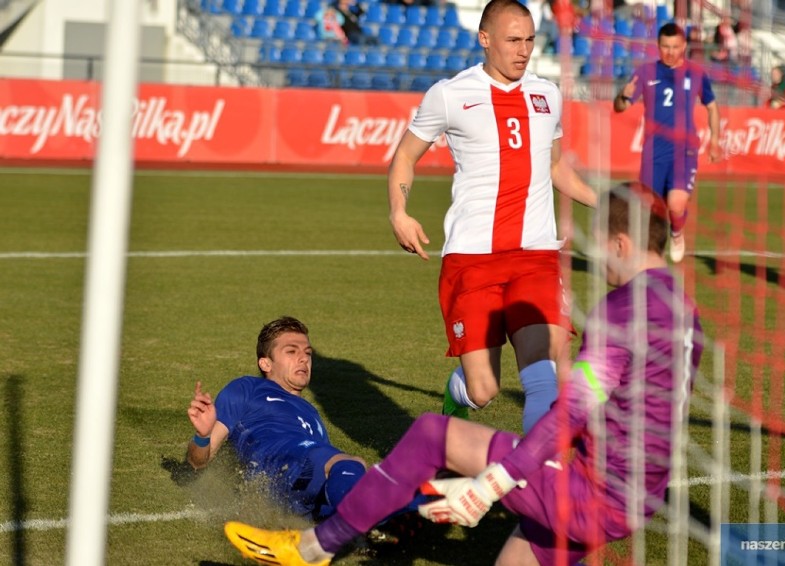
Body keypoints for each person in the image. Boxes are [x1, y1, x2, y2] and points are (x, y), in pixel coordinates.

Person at [223, 182, 705, 566]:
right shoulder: (686, 312)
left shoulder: (621, 310)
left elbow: (570, 413)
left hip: (589, 491)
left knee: (432, 433)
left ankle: (313, 548)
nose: (600, 258)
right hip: (637, 496)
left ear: (622, 242)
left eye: (603, 246)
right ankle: (403, 513)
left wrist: (496, 482)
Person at [387, 0, 597, 435]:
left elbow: (555, 167)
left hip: (536, 255)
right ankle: (455, 406)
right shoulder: (449, 94)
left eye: (530, 40)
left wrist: (609, 203)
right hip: (472, 260)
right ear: (485, 39)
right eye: (512, 40)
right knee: (484, 390)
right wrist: (399, 211)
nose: (523, 50)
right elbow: (406, 154)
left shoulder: (547, 94)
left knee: (543, 378)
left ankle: (535, 479)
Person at [186, 315, 367, 520]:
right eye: (291, 351)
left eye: (307, 353)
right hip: (275, 469)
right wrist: (203, 435)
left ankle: (386, 525)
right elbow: (198, 462)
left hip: (302, 491)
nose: (303, 359)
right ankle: (358, 526)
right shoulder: (247, 388)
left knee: (360, 474)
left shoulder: (313, 415)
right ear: (266, 363)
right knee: (352, 464)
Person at [613, 22, 721, 264]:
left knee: (676, 202)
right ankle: (651, 257)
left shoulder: (696, 73)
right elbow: (619, 108)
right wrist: (623, 96)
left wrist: (715, 139)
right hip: (654, 152)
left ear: (683, 46)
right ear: (658, 46)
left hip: (685, 150)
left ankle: (677, 232)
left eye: (675, 47)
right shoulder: (645, 73)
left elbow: (712, 107)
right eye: (665, 47)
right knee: (650, 209)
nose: (670, 52)